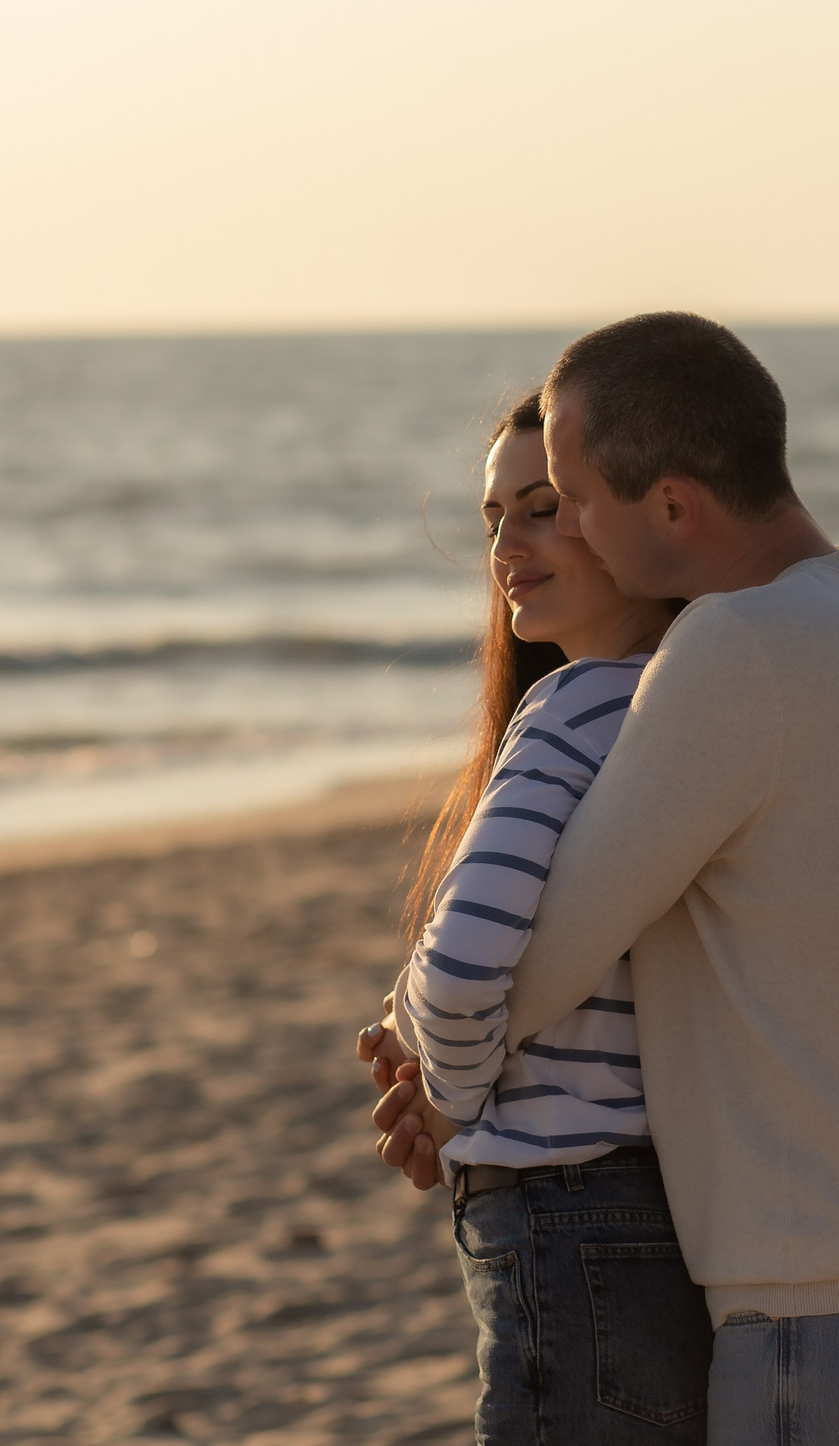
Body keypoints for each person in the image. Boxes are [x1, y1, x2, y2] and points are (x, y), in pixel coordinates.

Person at [377, 313, 839, 1444]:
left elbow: (534, 960)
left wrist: (427, 1081)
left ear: (673, 506)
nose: (566, 530)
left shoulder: (732, 651)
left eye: (574, 500)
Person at [359, 392, 713, 1443]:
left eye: (544, 508)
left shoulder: (572, 710)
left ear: (630, 514)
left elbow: (468, 964)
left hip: (567, 1218)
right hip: (667, 1213)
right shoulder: (690, 706)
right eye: (493, 519)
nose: (506, 548)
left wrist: (448, 1097)